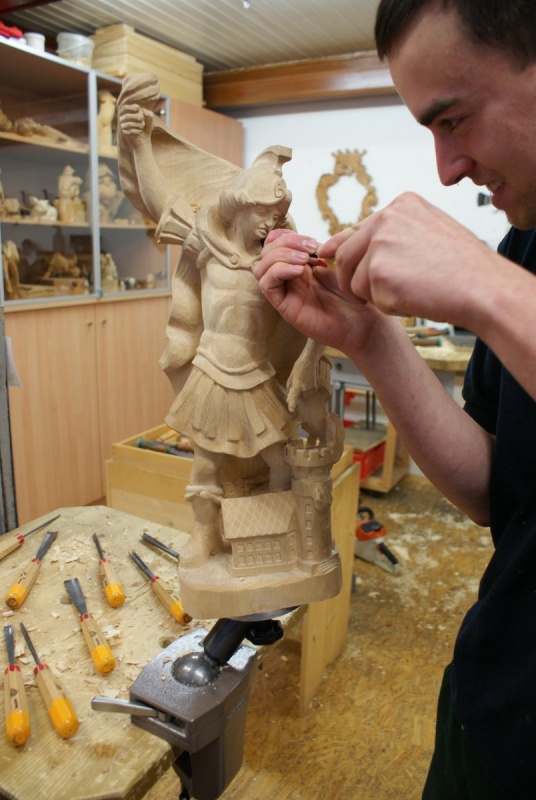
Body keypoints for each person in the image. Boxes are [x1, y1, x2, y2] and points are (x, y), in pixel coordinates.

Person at [253, 1, 536, 797]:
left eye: (455, 119)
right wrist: (370, 337)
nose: (447, 168)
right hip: (494, 706)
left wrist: (488, 288)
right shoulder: (526, 243)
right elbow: (493, 490)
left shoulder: (506, 274)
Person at [117, 75, 329, 570]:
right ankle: (206, 532)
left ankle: (276, 526)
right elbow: (160, 200)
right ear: (238, 209)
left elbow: (319, 317)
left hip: (255, 373)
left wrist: (308, 361)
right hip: (212, 369)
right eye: (263, 212)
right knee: (206, 461)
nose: (271, 222)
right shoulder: (207, 244)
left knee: (278, 459)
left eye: (277, 213)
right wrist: (140, 142)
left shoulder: (276, 263)